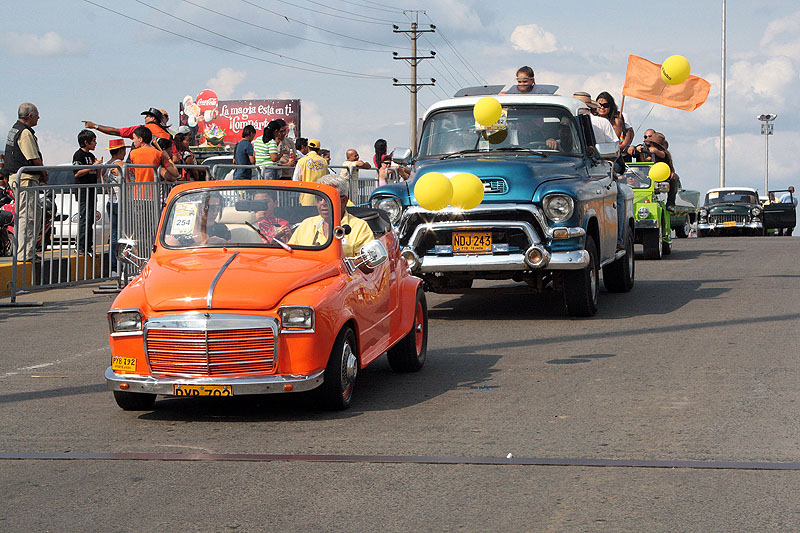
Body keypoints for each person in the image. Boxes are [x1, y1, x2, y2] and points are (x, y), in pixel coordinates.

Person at [289, 174, 373, 256]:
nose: (323, 203)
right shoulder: (306, 224)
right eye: (319, 198)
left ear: (344, 201)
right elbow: (289, 254)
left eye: (328, 198)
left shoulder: (360, 227)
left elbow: (366, 261)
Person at [4, 103, 48, 261]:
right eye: (37, 115)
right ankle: (25, 254)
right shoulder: (25, 133)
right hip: (26, 180)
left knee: (30, 214)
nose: (38, 117)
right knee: (28, 216)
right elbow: (33, 158)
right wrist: (44, 172)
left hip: (18, 179)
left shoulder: (14, 130)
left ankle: (26, 251)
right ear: (30, 116)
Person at [72, 129, 103, 255]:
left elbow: (96, 175)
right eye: (93, 141)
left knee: (90, 219)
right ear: (86, 142)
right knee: (84, 218)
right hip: (83, 192)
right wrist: (93, 166)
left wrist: (98, 167)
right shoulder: (78, 155)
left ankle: (88, 246)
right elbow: (77, 173)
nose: (95, 143)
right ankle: (80, 245)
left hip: (92, 190)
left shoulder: (91, 156)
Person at [165, 192, 230, 246]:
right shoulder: (178, 234)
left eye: (218, 208)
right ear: (195, 207)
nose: (215, 212)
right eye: (210, 208)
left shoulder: (221, 230)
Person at [101, 139, 128, 272]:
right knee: (125, 235)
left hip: (110, 201)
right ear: (121, 150)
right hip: (122, 201)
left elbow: (104, 185)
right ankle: (123, 266)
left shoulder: (106, 165)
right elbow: (129, 181)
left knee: (113, 235)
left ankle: (113, 267)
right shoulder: (122, 165)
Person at [82, 107, 171, 142]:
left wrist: (95, 126)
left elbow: (115, 131)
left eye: (147, 116)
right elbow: (174, 157)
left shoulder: (140, 129)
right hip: (161, 173)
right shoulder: (168, 135)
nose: (145, 118)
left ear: (153, 118)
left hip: (139, 171)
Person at [294, 138, 328, 205]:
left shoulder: (302, 161)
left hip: (306, 196)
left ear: (308, 148)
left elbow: (295, 179)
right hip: (321, 196)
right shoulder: (324, 161)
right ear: (318, 150)